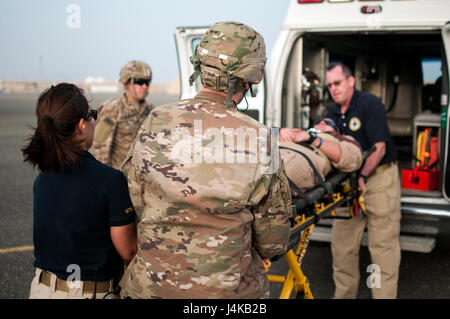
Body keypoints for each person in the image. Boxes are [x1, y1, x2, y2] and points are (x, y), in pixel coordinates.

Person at [119, 21, 293, 299]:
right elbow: (273, 242)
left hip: (149, 290)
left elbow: (135, 203)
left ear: (200, 68)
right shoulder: (263, 139)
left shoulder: (155, 120)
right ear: (248, 79)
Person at [22, 83, 138, 299]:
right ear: (81, 126)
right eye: (92, 115)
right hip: (88, 292)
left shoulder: (42, 178)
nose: (95, 120)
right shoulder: (110, 181)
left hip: (42, 289)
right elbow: (128, 251)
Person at [324, 63, 401, 299]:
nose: (333, 89)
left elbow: (378, 149)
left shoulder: (370, 104)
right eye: (329, 86)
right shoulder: (332, 112)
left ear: (350, 81)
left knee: (382, 251)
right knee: (342, 250)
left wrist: (363, 176)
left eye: (337, 83)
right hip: (348, 184)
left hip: (378, 177)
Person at [92, 60, 153, 169]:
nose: (144, 86)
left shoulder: (151, 112)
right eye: (139, 81)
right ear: (126, 82)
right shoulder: (111, 110)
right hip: (119, 178)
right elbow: (100, 151)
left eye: (147, 82)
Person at [279, 118, 362, 194]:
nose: (322, 123)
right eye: (318, 122)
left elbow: (352, 160)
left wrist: (312, 139)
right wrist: (280, 131)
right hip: (277, 148)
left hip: (303, 156)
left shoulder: (341, 139)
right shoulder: (300, 131)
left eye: (328, 123)